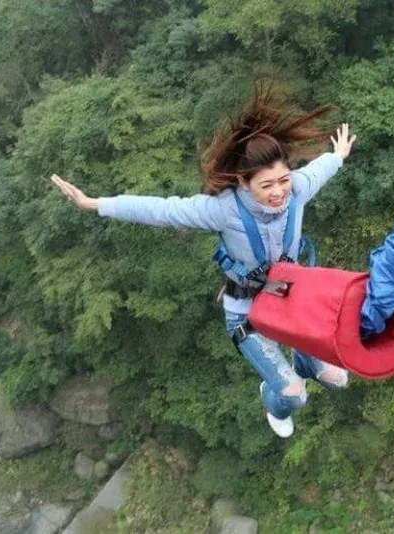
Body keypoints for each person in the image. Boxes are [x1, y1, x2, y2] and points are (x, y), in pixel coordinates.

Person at [50, 85, 357, 438]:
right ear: (243, 182)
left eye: (284, 180)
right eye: (267, 185)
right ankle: (272, 397)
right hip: (247, 311)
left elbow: (320, 169)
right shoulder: (223, 210)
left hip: (290, 300)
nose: (278, 192)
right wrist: (96, 204)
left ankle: (304, 360)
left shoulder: (297, 189)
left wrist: (338, 156)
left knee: (338, 378)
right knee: (293, 395)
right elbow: (162, 210)